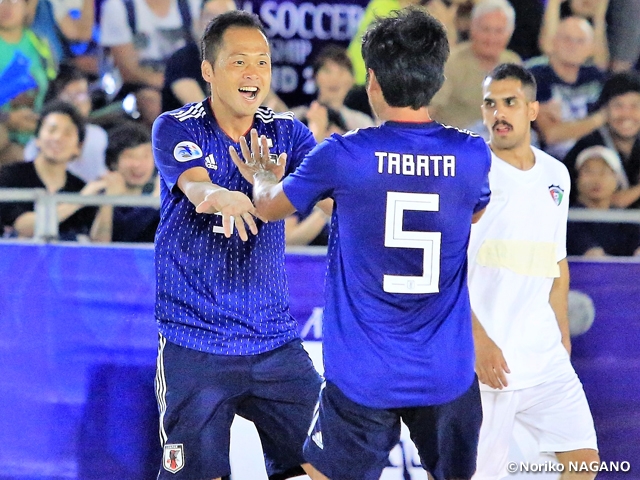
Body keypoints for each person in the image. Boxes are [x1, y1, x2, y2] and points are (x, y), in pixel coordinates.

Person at [239, 8, 492, 480]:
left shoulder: (344, 154)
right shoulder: (472, 154)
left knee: (319, 472)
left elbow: (271, 206)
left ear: (371, 81)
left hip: (363, 372)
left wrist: (261, 177)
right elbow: (468, 212)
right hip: (446, 370)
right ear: (437, 79)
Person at [151, 10, 322, 480]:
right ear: (208, 71)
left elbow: (328, 196)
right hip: (195, 341)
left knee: (328, 464)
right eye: (239, 62)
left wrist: (282, 186)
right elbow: (197, 189)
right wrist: (224, 195)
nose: (254, 74)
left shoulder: (287, 133)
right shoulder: (176, 125)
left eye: (263, 63)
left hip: (274, 342)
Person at [468, 63, 599, 479]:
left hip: (544, 358)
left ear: (533, 109)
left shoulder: (555, 174)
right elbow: (444, 266)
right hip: (488, 361)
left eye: (510, 102)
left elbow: (556, 262)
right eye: (491, 104)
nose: (499, 113)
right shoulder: (471, 172)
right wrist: (476, 339)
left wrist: (561, 337)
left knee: (582, 462)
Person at [0, 100, 101, 239]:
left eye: (67, 133)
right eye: (51, 130)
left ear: (78, 147)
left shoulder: (80, 188)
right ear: (37, 138)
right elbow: (24, 227)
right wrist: (78, 201)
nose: (58, 138)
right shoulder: (9, 176)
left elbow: (98, 244)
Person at [429, 0, 521, 131]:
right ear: (472, 28)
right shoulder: (451, 62)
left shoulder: (513, 62)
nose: (491, 38)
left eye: (499, 31)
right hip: (458, 140)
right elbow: (429, 111)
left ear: (510, 32)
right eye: (485, 29)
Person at [527, 16, 606, 160]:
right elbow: (551, 134)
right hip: (546, 160)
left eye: (580, 41)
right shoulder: (535, 76)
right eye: (567, 39)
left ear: (591, 48)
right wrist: (600, 118)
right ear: (553, 42)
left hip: (590, 159)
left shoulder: (596, 77)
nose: (573, 46)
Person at [563, 70, 640, 208]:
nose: (626, 114)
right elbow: (604, 202)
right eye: (618, 106)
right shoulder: (588, 146)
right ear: (604, 110)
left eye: (634, 106)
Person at [24, 63, 109, 182]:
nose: (78, 102)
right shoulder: (39, 140)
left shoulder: (98, 135)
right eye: (70, 96)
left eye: (82, 95)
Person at [0, 0, 56, 164]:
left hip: (35, 131)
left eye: (15, 1)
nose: (6, 7)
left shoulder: (41, 44)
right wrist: (6, 118)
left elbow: (54, 90)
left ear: (28, 6)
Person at [90, 122, 159, 243]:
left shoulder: (160, 200)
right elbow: (102, 244)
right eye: (130, 156)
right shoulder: (96, 196)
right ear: (113, 162)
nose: (138, 164)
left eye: (146, 156)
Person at [567, 145, 640, 256]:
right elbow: (594, 257)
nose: (596, 179)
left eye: (604, 172)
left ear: (617, 180)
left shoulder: (625, 221)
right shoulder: (569, 219)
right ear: (577, 178)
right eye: (589, 172)